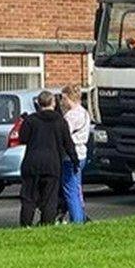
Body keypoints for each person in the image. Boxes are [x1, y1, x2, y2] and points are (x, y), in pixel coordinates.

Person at [19, 91, 78, 227]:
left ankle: (25, 225)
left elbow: (23, 138)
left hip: (32, 162)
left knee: (29, 197)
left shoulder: (31, 120)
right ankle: (47, 224)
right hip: (52, 163)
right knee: (50, 198)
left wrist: (24, 123)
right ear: (53, 103)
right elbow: (68, 144)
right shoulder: (60, 121)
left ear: (39, 104)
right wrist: (75, 161)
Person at [60, 85, 90, 224]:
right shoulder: (84, 112)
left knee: (70, 189)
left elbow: (64, 136)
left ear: (67, 98)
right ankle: (81, 217)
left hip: (70, 155)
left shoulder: (70, 116)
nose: (61, 101)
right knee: (77, 188)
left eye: (62, 98)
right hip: (82, 153)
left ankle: (77, 221)